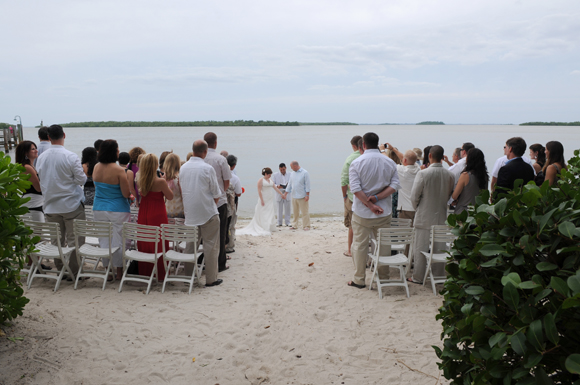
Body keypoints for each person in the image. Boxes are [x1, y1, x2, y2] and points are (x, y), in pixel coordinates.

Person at [347, 132, 400, 289]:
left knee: (359, 245)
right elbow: (395, 185)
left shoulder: (356, 163)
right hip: (384, 211)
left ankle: (359, 279)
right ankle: (383, 277)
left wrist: (370, 204)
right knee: (383, 245)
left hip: (362, 213)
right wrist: (377, 199)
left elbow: (355, 189)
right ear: (377, 144)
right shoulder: (389, 162)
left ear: (363, 145)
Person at [36, 125, 87, 277]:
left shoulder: (41, 157)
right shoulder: (70, 156)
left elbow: (41, 178)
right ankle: (75, 271)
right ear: (64, 135)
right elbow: (81, 179)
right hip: (71, 204)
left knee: (56, 240)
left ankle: (61, 269)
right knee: (75, 240)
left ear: (49, 137)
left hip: (50, 204)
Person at [180, 140, 223, 287]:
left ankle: (188, 277)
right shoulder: (207, 168)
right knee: (211, 246)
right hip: (207, 213)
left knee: (190, 246)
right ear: (205, 152)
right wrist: (212, 206)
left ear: (193, 151)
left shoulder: (183, 168)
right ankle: (211, 279)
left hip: (190, 213)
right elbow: (216, 193)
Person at [409, 145, 454, 284]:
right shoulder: (450, 175)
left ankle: (418, 276)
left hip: (424, 215)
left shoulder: (423, 173)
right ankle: (438, 275)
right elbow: (449, 195)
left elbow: (414, 196)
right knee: (439, 248)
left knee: (420, 248)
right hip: (441, 214)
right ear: (442, 157)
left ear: (429, 156)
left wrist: (418, 208)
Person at [92, 140, 131, 280]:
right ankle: (119, 272)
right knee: (120, 240)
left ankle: (108, 271)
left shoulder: (96, 167)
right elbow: (125, 193)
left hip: (98, 207)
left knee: (104, 239)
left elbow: (97, 188)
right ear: (114, 152)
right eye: (117, 149)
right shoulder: (119, 170)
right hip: (118, 209)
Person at [135, 153, 173, 280]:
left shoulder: (140, 179)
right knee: (160, 240)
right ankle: (160, 272)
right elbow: (170, 196)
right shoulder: (160, 181)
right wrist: (166, 180)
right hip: (157, 213)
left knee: (146, 239)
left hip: (144, 212)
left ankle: (146, 272)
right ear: (155, 165)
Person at [203, 132, 232, 272]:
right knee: (220, 233)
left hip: (203, 201)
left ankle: (203, 260)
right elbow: (227, 181)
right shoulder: (220, 159)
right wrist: (220, 191)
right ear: (215, 143)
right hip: (219, 201)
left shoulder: (200, 158)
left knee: (203, 233)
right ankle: (220, 264)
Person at [238, 168, 284, 237]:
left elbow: (275, 188)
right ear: (265, 174)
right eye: (269, 175)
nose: (270, 176)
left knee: (270, 212)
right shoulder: (260, 180)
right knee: (263, 212)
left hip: (269, 199)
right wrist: (262, 200)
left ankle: (269, 226)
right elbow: (259, 191)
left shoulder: (270, 180)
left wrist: (281, 194)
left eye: (270, 175)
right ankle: (263, 226)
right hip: (264, 199)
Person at [384, 144, 420, 226]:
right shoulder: (417, 168)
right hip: (416, 207)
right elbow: (408, 159)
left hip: (405, 208)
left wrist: (382, 150)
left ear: (404, 161)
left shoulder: (402, 170)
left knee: (404, 233)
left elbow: (388, 161)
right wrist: (393, 149)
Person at [340, 136, 362, 256]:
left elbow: (344, 181)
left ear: (354, 146)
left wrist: (344, 197)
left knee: (352, 225)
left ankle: (350, 250)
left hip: (353, 197)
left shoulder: (351, 159)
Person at [452, 148, 489, 215]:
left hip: (463, 212)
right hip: (478, 212)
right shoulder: (485, 176)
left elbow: (454, 196)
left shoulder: (465, 175)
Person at [16, 140, 44, 221]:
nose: (36, 151)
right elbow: (38, 188)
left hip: (35, 203)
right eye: (33, 149)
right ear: (25, 153)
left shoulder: (30, 166)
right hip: (33, 204)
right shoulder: (27, 167)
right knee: (38, 232)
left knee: (37, 231)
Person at [284, 161, 311, 230]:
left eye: (291, 167)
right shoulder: (292, 174)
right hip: (294, 196)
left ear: (295, 166)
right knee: (295, 212)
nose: (291, 168)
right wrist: (285, 193)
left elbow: (307, 185)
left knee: (304, 212)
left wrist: (307, 195)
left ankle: (306, 226)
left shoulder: (305, 173)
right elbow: (289, 184)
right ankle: (295, 225)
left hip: (302, 196)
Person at [225, 155, 242, 253]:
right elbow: (239, 193)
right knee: (231, 225)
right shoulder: (235, 178)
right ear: (234, 166)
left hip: (220, 203)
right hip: (231, 204)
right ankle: (230, 246)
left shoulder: (219, 175)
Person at [163, 153, 184, 219]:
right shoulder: (179, 178)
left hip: (167, 209)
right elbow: (183, 194)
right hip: (180, 209)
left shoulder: (164, 178)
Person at [273, 163, 292, 227]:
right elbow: (273, 184)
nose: (282, 171)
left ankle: (288, 222)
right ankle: (279, 222)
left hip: (287, 192)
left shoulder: (290, 174)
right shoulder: (275, 175)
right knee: (279, 209)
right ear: (279, 169)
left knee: (287, 208)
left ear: (286, 168)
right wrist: (278, 186)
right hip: (279, 192)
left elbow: (292, 183)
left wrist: (288, 186)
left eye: (283, 169)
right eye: (281, 170)